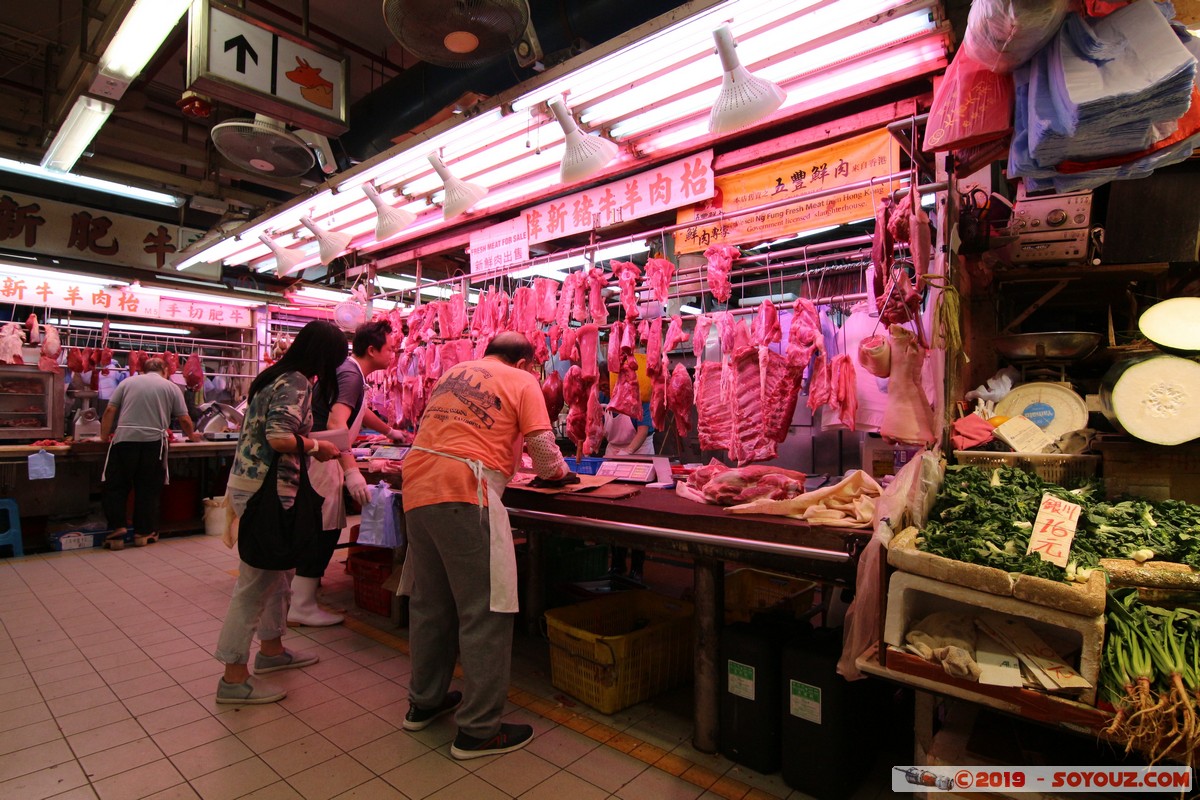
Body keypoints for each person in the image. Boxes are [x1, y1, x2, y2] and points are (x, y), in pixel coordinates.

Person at [400, 331, 571, 760]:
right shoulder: (522, 381)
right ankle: (478, 731)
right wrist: (560, 474)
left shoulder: (454, 372)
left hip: (416, 485)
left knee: (431, 606)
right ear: (525, 362)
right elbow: (544, 451)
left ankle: (424, 702)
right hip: (463, 489)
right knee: (485, 610)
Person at [212, 320, 346, 704]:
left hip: (256, 485)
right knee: (254, 586)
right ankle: (233, 679)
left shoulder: (277, 376)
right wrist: (318, 447)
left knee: (279, 576)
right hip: (263, 490)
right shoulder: (297, 381)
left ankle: (271, 652)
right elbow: (278, 437)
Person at [290, 319, 404, 627]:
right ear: (372, 350)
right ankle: (301, 604)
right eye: (390, 349)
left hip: (321, 455)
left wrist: (390, 431)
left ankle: (298, 595)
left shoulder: (351, 372)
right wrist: (351, 470)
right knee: (323, 529)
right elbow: (336, 424)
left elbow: (359, 409)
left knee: (319, 525)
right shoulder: (352, 373)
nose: (393, 354)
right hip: (324, 458)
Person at [99, 356, 200, 550]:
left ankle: (117, 529)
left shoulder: (128, 383)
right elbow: (185, 419)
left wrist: (104, 436)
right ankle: (143, 533)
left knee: (116, 487)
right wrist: (192, 435)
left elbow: (110, 410)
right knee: (148, 489)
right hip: (153, 444)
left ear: (143, 370)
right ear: (165, 371)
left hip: (124, 440)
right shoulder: (170, 387)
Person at [603, 398, 654, 583]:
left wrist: (629, 452)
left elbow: (643, 430)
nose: (605, 389)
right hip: (612, 454)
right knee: (612, 511)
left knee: (636, 513)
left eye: (606, 384)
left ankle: (637, 567)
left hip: (639, 455)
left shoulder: (639, 399)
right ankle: (617, 563)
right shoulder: (601, 398)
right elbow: (598, 425)